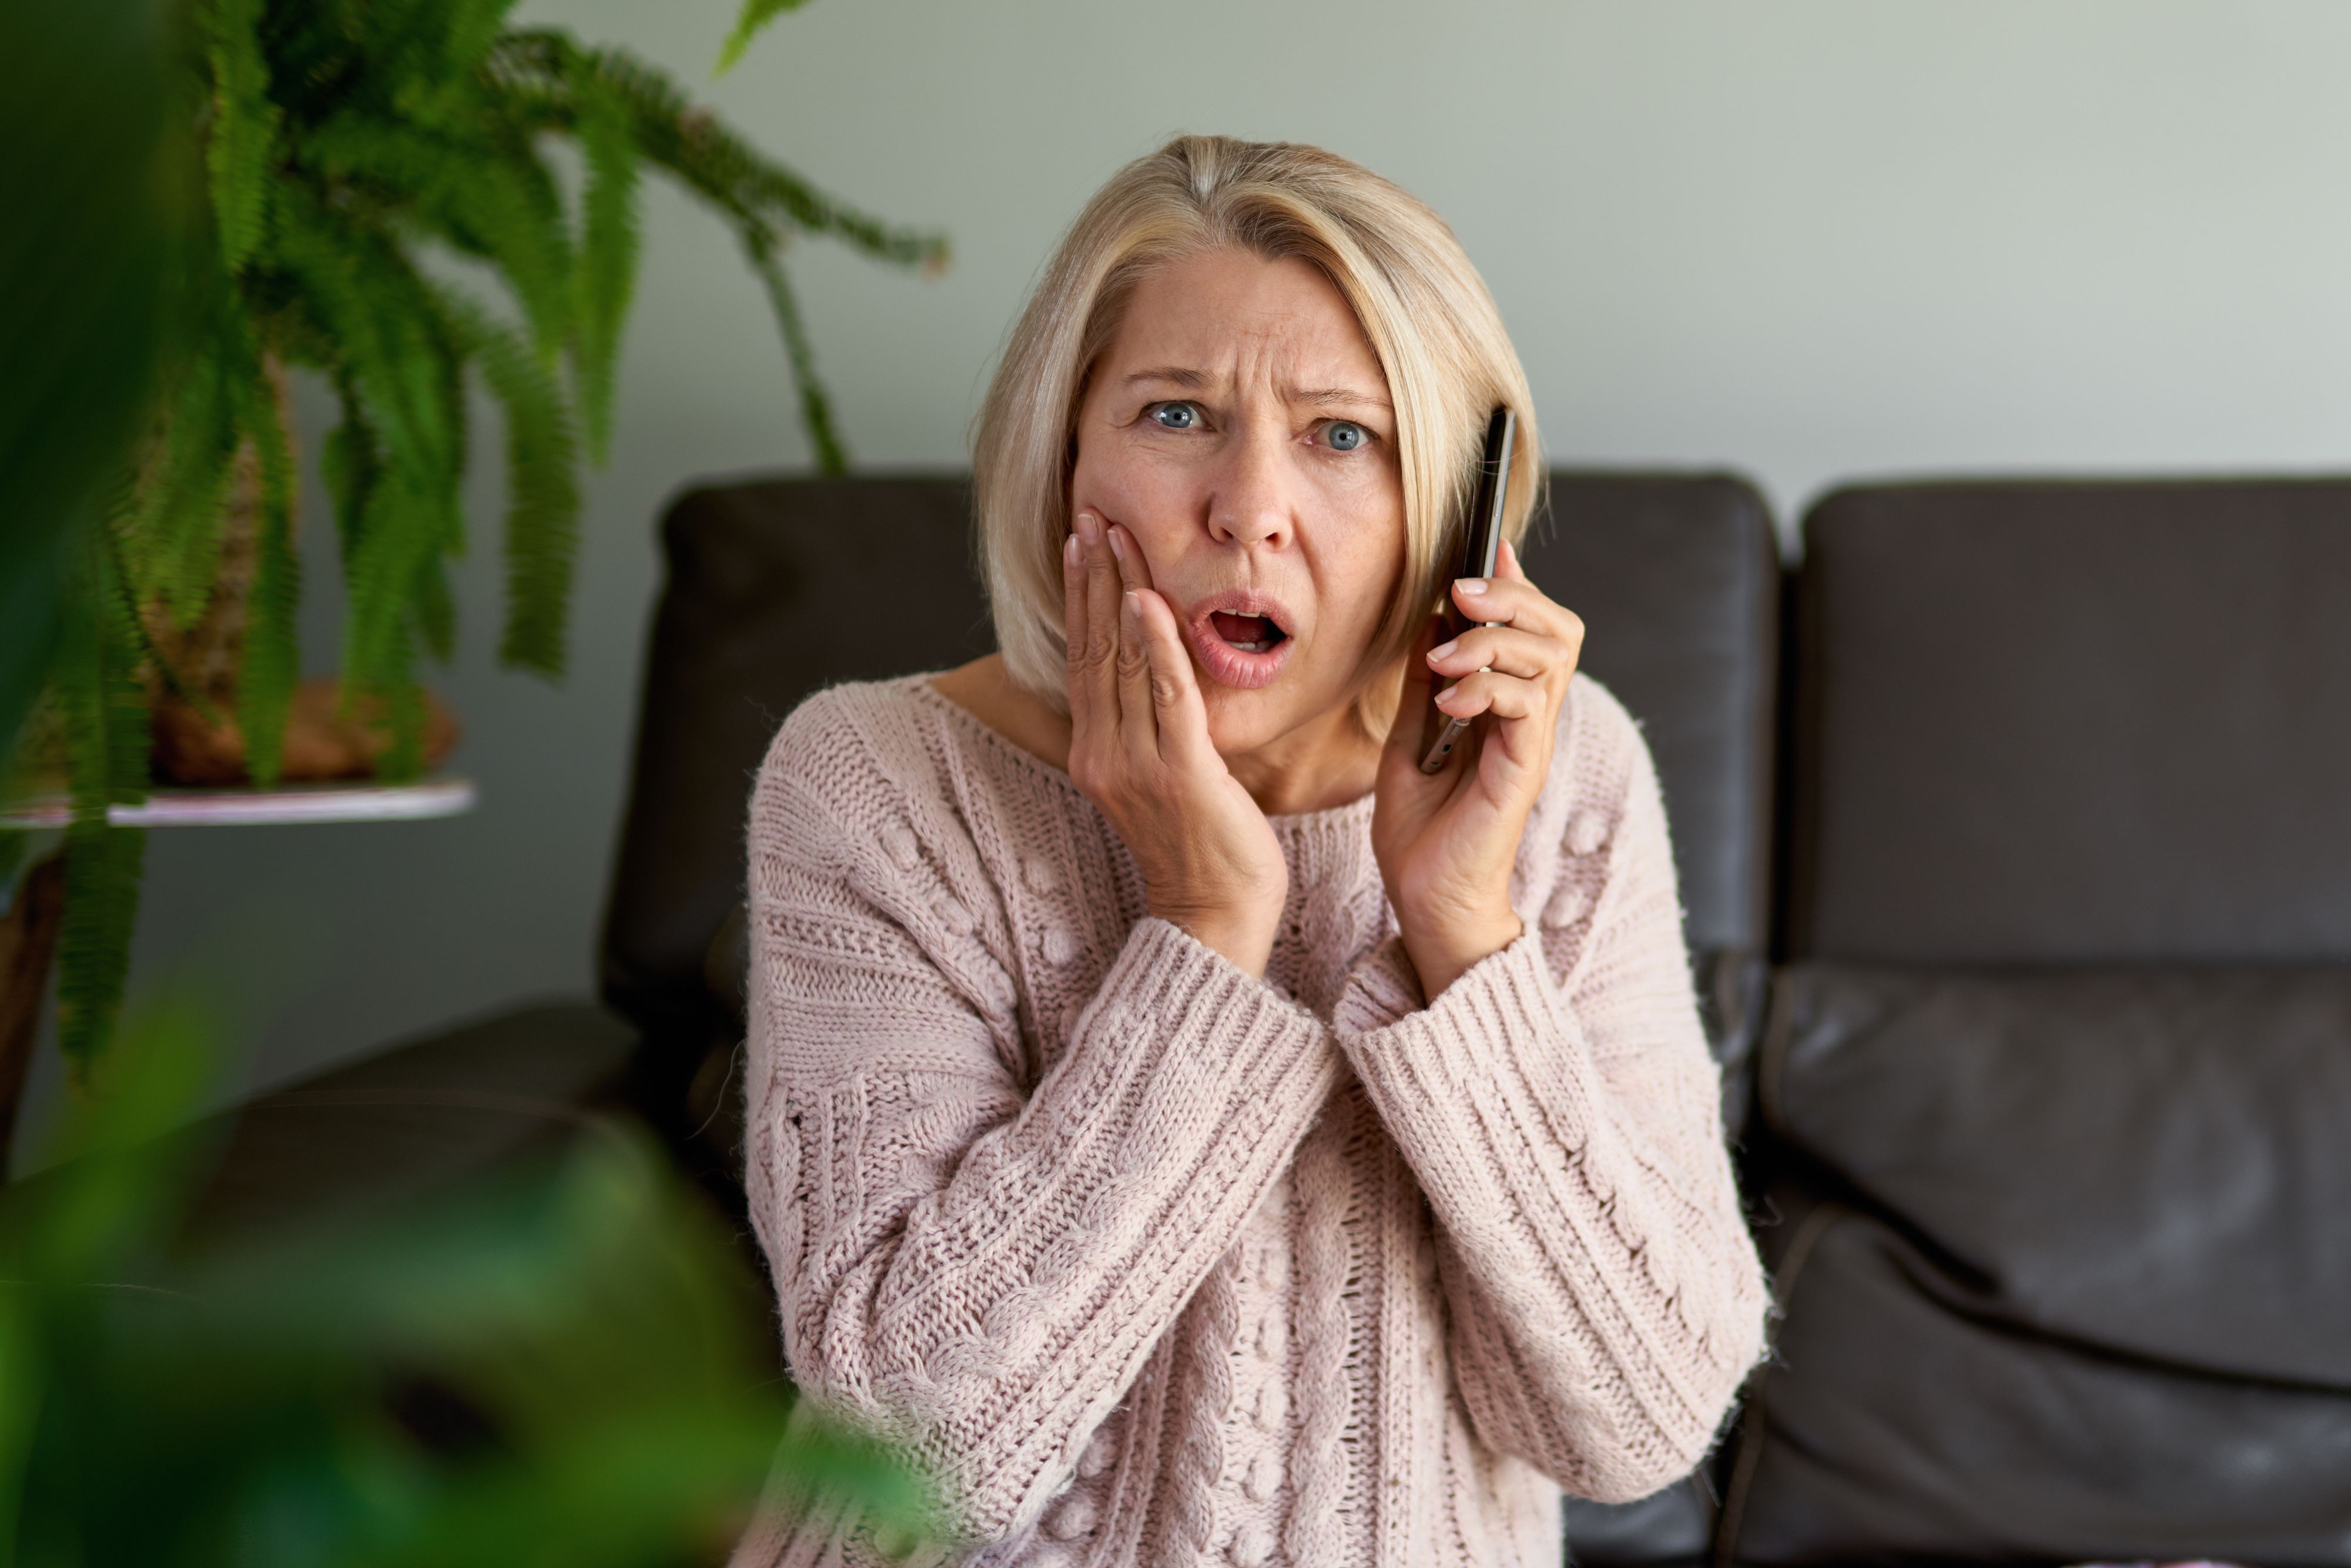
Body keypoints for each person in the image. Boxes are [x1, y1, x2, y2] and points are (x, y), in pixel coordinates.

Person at [732, 135, 1767, 1568]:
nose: (1248, 507)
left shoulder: (1565, 772)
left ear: (1447, 508)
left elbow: (1633, 1423)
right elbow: (904, 1464)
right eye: (1175, 414)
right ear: (1064, 458)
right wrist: (1206, 924)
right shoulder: (873, 784)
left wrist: (1460, 923)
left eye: (1344, 435)